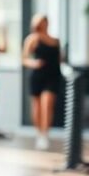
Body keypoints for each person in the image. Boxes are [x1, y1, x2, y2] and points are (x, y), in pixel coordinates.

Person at [23, 14, 63, 150]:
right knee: (37, 106)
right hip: (37, 75)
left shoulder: (56, 41)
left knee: (48, 105)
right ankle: (39, 133)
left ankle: (45, 134)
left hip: (53, 76)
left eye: (43, 22)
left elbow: (60, 59)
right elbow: (24, 59)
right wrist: (34, 63)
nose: (41, 25)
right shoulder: (32, 39)